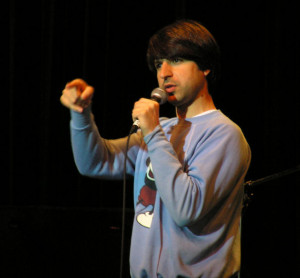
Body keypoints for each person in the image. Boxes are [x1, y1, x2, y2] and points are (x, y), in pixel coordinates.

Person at [60, 19, 251, 278]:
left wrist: (152, 133)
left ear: (205, 66)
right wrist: (81, 115)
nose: (164, 73)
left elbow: (186, 209)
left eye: (176, 60)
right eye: (159, 63)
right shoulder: (160, 130)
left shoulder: (224, 133)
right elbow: (95, 162)